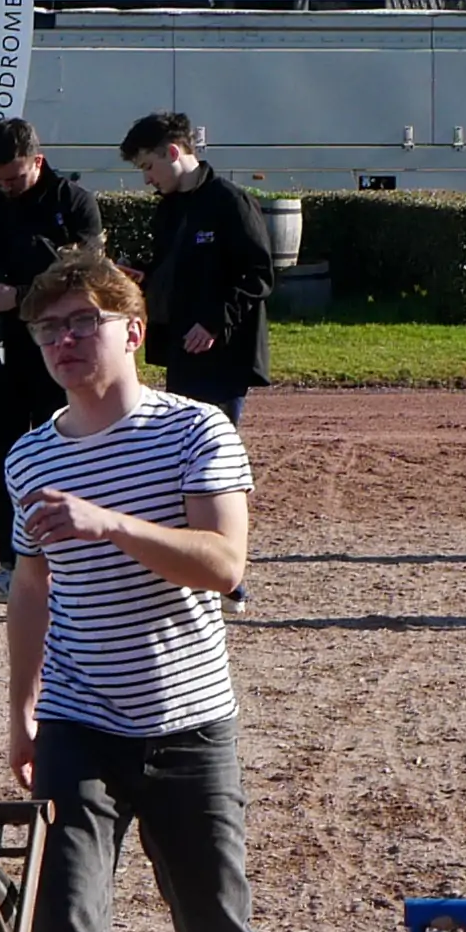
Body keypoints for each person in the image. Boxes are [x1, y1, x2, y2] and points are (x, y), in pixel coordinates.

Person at [3, 245, 288, 932]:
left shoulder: (194, 429)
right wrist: (22, 706)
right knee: (66, 931)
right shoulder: (30, 454)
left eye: (82, 321)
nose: (64, 342)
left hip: (189, 723)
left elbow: (223, 561)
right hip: (81, 723)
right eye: (48, 329)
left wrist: (109, 522)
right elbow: (31, 582)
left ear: (133, 328)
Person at [123, 112, 275, 616]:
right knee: (182, 461)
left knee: (217, 465)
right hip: (180, 356)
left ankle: (228, 578)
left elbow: (258, 275)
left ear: (172, 152)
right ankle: (191, 570)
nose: (147, 179)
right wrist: (139, 278)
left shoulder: (231, 202)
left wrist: (214, 323)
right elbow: (172, 272)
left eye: (148, 167)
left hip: (224, 358)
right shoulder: (168, 209)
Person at [0, 116, 101, 605]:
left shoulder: (74, 203)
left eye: (16, 177)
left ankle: (77, 564)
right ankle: (9, 562)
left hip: (61, 351)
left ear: (38, 160)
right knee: (5, 458)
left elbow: (89, 276)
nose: (7, 187)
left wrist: (20, 296)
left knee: (69, 451)